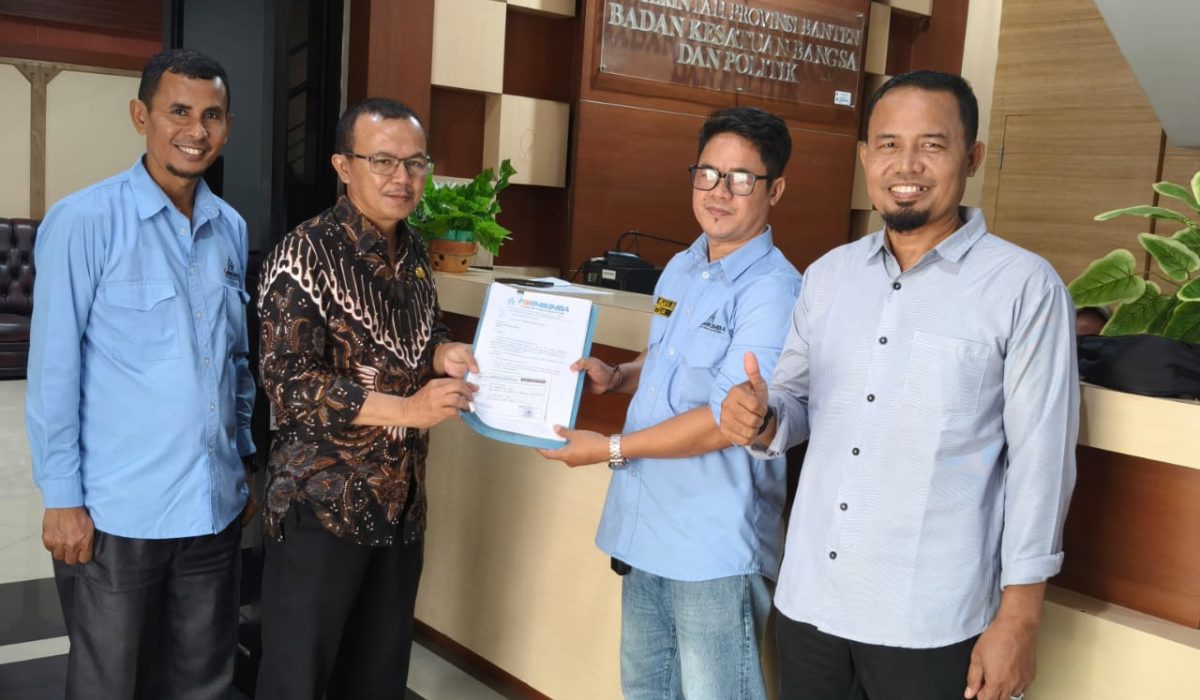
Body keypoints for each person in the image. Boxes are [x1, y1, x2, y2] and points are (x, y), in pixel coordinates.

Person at [719, 71, 1078, 700]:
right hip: (810, 601)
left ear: (972, 157)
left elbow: (1041, 465)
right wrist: (763, 418)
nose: (905, 165)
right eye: (888, 144)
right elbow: (796, 402)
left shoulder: (1024, 287)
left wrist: (1020, 620)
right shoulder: (829, 276)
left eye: (931, 145)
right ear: (865, 157)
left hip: (930, 620)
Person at [541, 107, 802, 699]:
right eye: (707, 173)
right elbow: (669, 358)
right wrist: (620, 375)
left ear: (775, 190)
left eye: (741, 178)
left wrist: (609, 448)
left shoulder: (774, 290)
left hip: (713, 542)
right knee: (647, 690)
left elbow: (725, 423)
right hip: (647, 525)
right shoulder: (683, 267)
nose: (718, 192)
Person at [25, 48, 254, 699]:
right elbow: (53, 371)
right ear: (140, 116)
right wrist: (62, 498)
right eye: (178, 111)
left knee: (204, 683)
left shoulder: (229, 229)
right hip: (116, 514)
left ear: (227, 125)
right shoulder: (84, 221)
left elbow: (236, 363)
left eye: (212, 115)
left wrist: (243, 459)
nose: (196, 130)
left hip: (212, 510)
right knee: (110, 684)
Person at [254, 97, 478, 699]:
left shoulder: (415, 253)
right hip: (322, 507)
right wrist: (406, 410)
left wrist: (443, 353)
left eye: (415, 163)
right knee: (297, 681)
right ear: (343, 165)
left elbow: (421, 336)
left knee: (378, 679)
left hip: (401, 506)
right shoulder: (305, 252)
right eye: (382, 161)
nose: (401, 178)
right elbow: (289, 380)